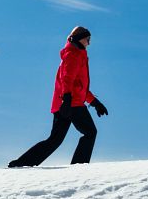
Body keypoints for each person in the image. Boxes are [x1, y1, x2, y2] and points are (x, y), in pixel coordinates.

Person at [9, 26, 108, 167]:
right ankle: (79, 166)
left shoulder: (77, 54)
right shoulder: (73, 54)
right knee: (90, 132)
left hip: (66, 103)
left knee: (55, 140)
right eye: (88, 39)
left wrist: (95, 102)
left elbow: (79, 86)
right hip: (71, 103)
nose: (89, 43)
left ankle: (22, 163)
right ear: (80, 38)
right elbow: (66, 79)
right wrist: (67, 99)